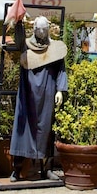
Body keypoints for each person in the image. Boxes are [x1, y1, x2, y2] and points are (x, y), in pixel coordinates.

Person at [9, 16, 67, 181]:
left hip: (48, 92)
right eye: (38, 30)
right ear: (34, 29)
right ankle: (17, 168)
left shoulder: (55, 48)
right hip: (27, 92)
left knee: (46, 129)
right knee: (23, 128)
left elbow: (61, 70)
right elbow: (18, 38)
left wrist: (60, 90)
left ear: (47, 30)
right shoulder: (25, 45)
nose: (41, 33)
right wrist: (18, 22)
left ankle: (47, 168)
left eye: (44, 30)